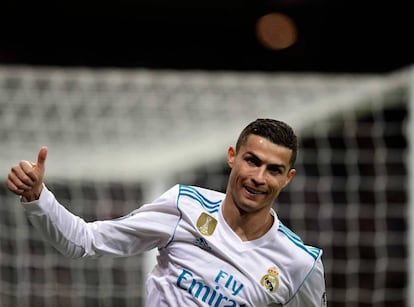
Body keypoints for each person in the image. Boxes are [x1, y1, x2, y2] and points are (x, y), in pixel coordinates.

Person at [6, 118, 327, 307]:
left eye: (273, 170)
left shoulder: (301, 264)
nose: (258, 178)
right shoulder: (183, 206)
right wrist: (38, 197)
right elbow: (84, 242)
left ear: (288, 178)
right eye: (252, 161)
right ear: (232, 157)